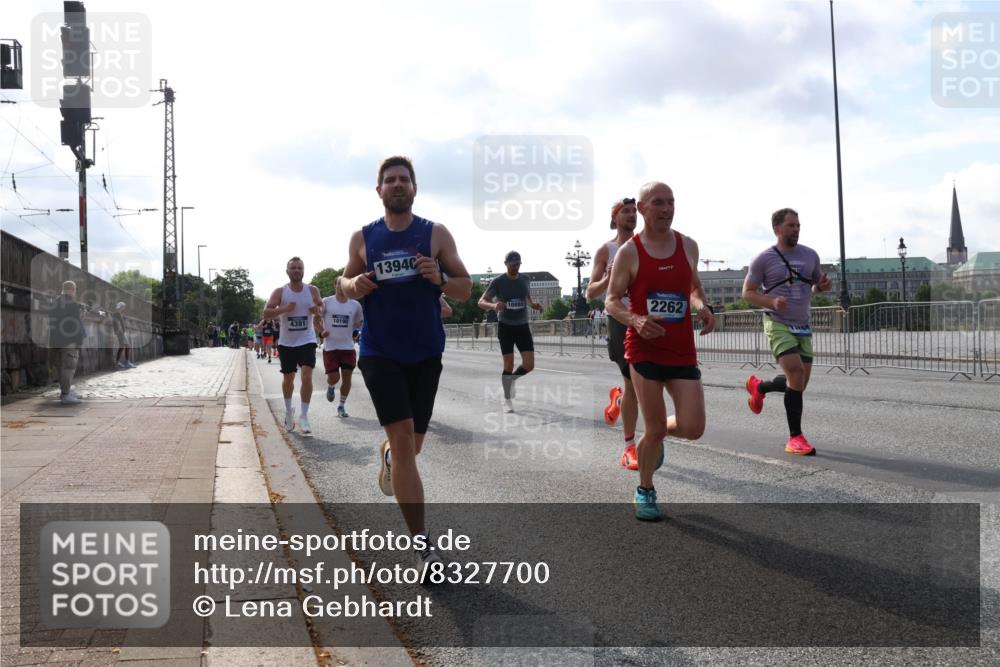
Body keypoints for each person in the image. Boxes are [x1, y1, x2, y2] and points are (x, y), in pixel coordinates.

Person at [339, 155, 471, 566]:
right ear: (379, 190)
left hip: (426, 352)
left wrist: (441, 279)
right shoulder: (363, 238)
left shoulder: (436, 235)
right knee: (403, 442)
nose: (397, 185)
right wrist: (352, 282)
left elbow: (467, 289)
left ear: (414, 189)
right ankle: (423, 546)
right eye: (390, 180)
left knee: (412, 446)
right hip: (380, 353)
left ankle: (392, 460)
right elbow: (341, 288)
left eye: (404, 180)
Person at [606, 182, 716, 521]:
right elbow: (611, 301)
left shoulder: (688, 246)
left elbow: (693, 287)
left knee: (693, 427)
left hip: (681, 350)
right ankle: (645, 489)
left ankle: (654, 438)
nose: (666, 209)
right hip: (644, 350)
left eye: (670, 202)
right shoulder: (630, 252)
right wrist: (636, 320)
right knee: (652, 428)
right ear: (641, 208)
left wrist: (701, 306)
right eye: (658, 203)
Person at [742, 208, 832, 456]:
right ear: (777, 229)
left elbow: (814, 287)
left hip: (802, 323)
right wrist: (771, 302)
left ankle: (760, 387)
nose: (796, 229)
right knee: (794, 372)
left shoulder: (810, 255)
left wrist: (822, 287)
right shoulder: (763, 259)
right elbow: (747, 292)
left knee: (799, 383)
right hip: (778, 322)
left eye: (798, 225)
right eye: (791, 225)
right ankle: (795, 437)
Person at [587, 197, 641, 469]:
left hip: (645, 318)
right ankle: (629, 446)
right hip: (620, 319)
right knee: (633, 382)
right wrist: (608, 278)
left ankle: (619, 400)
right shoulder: (605, 250)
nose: (632, 215)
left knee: (647, 383)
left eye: (634, 211)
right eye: (626, 211)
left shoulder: (645, 246)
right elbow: (590, 292)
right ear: (615, 218)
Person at [263, 257, 324, 435]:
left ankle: (304, 416)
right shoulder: (280, 292)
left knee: (306, 376)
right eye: (293, 268)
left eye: (299, 268)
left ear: (303, 270)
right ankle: (289, 412)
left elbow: (321, 306)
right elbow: (266, 313)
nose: (296, 270)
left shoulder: (312, 290)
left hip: (307, 339)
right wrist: (284, 309)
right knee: (288, 379)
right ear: (287, 271)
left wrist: (317, 310)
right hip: (287, 342)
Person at [477, 251, 543, 413]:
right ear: (505, 263)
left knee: (529, 364)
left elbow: (526, 295)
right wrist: (494, 306)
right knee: (509, 364)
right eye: (512, 264)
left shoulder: (525, 279)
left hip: (522, 326)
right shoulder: (498, 282)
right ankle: (507, 399)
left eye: (518, 264)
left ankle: (511, 380)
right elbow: (481, 302)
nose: (515, 267)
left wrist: (533, 304)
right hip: (505, 326)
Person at [316, 278, 364, 418]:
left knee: (347, 377)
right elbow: (315, 318)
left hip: (347, 346)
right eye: (338, 284)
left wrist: (355, 328)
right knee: (334, 377)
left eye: (343, 285)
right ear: (335, 285)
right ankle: (331, 386)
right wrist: (321, 331)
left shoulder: (355, 305)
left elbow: (359, 322)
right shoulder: (326, 302)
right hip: (331, 346)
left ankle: (341, 406)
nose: (340, 287)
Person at [49, 281, 86, 404]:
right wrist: (78, 340)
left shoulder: (55, 302)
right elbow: (73, 325)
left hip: (56, 340)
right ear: (72, 289)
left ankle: (66, 391)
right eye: (75, 290)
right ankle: (66, 394)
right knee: (68, 367)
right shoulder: (72, 304)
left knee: (61, 367)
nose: (75, 292)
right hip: (69, 341)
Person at [112, 302, 136, 369]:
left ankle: (120, 363)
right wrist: (120, 331)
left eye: (123, 307)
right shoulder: (116, 314)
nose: (123, 308)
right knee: (126, 346)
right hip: (120, 332)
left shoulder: (118, 314)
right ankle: (125, 363)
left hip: (121, 332)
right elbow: (116, 322)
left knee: (123, 346)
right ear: (121, 307)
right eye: (123, 307)